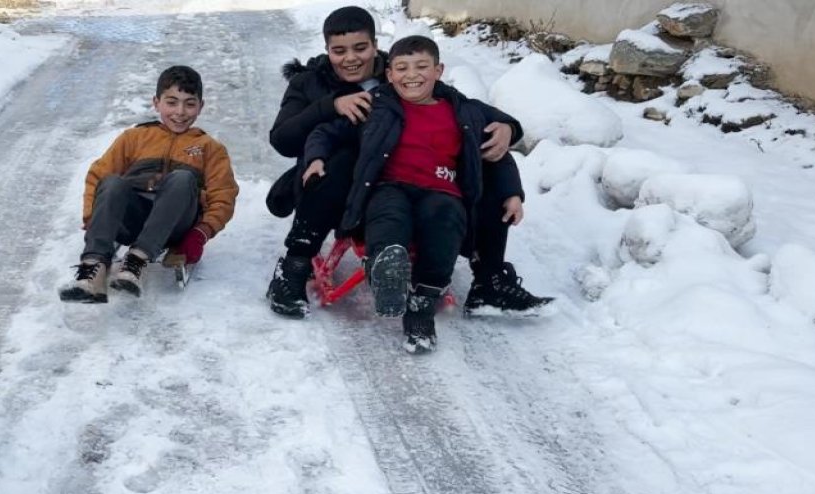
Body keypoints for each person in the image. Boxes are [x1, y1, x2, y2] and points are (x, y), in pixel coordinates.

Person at [265, 6, 551, 318]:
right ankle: (294, 267)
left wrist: (508, 127)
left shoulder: (403, 72)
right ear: (327, 50)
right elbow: (283, 140)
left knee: (479, 154)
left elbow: (460, 109)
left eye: (360, 48)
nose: (351, 58)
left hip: (397, 182)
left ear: (376, 46)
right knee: (346, 158)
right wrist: (330, 106)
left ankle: (489, 281)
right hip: (331, 184)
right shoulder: (308, 83)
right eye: (339, 51)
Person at [303, 36, 526, 351]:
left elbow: (501, 143)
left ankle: (422, 306)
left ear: (438, 70)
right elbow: (326, 131)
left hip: (442, 190)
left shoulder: (464, 110)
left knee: (445, 222)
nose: (412, 75)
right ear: (390, 74)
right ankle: (386, 273)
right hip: (388, 185)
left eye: (422, 66)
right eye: (402, 68)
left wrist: (512, 187)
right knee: (388, 215)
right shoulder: (376, 104)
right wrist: (316, 158)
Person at [59, 65, 240, 302]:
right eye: (172, 102)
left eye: (190, 103)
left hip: (175, 224)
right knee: (112, 181)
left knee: (183, 178)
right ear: (156, 103)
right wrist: (93, 218)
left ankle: (138, 259)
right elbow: (98, 176)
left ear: (201, 106)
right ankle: (93, 268)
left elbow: (223, 195)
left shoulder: (209, 148)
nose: (180, 112)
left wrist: (201, 233)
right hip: (132, 219)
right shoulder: (134, 138)